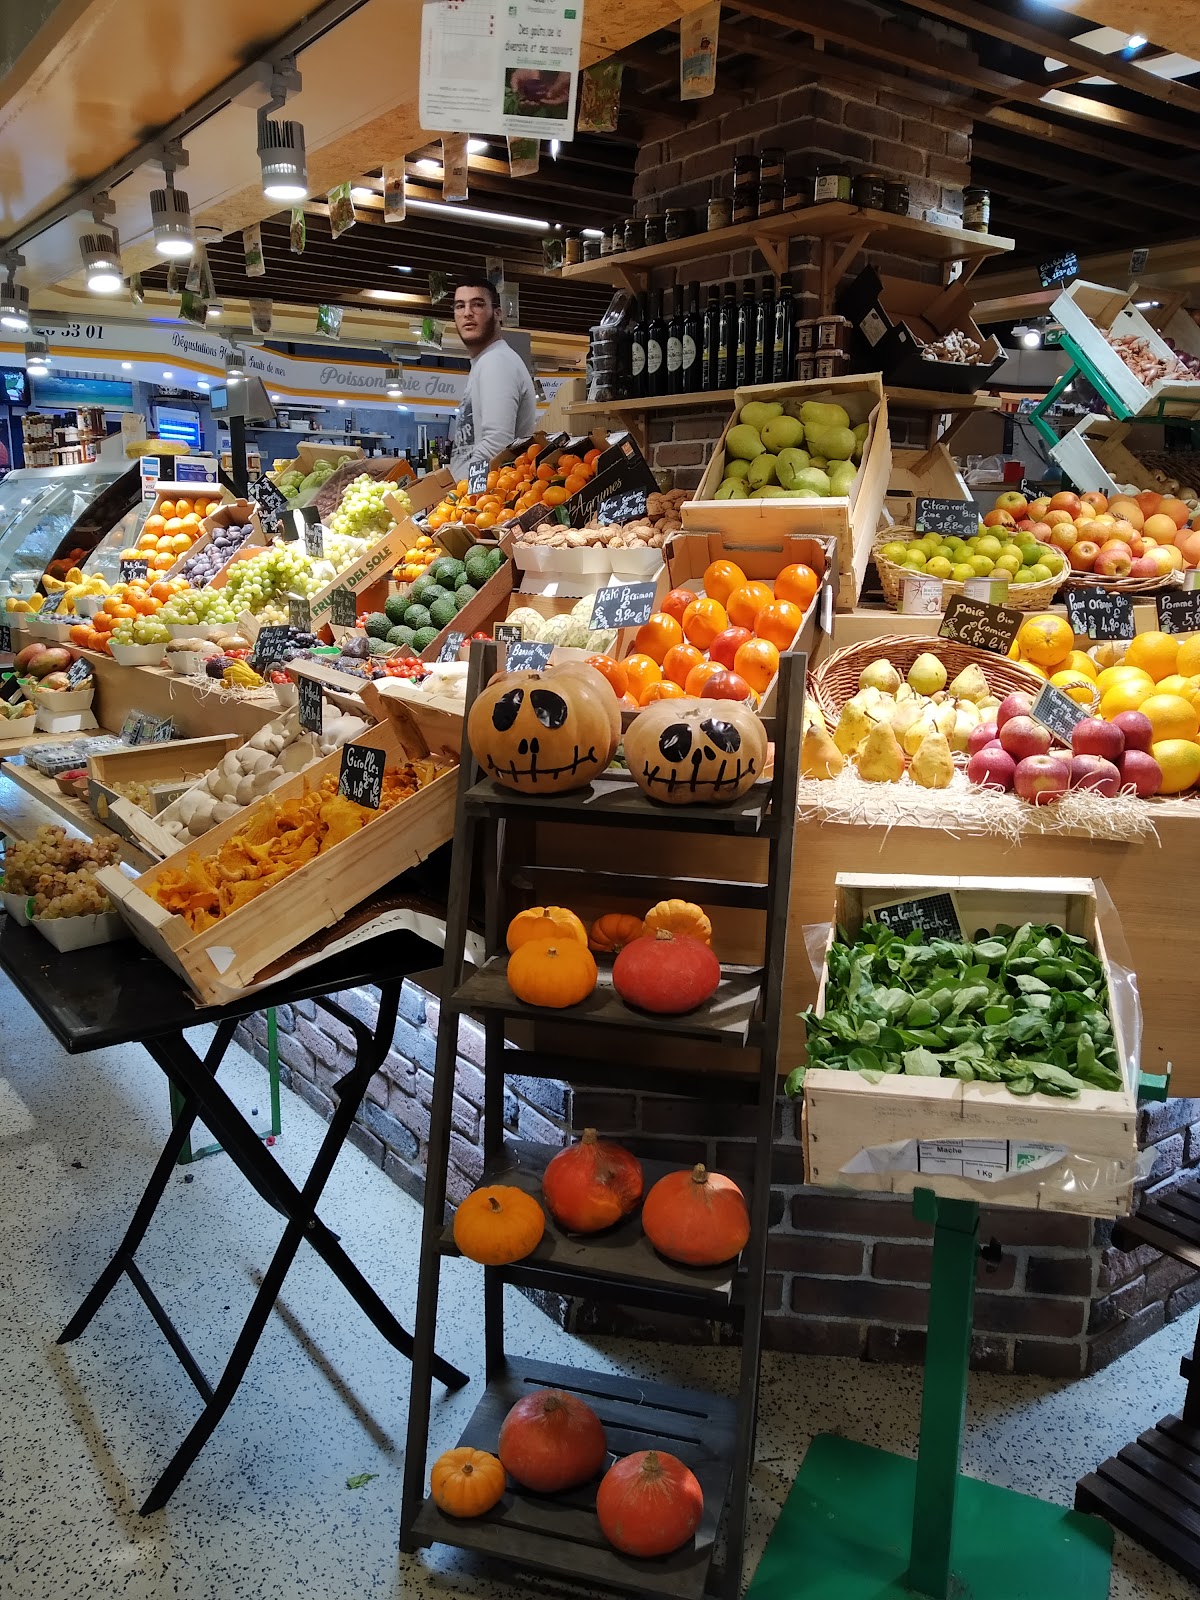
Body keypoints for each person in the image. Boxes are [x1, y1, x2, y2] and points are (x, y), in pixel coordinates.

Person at [449, 279, 537, 482]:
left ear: (498, 313)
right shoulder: (485, 361)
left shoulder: (496, 361)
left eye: (477, 304)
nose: (467, 312)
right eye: (460, 306)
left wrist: (456, 492)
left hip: (485, 503)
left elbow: (496, 443)